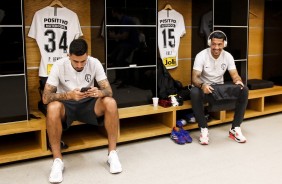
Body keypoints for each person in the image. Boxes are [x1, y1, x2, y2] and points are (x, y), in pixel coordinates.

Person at [42, 38, 122, 183]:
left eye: (83, 61)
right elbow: (45, 98)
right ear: (69, 56)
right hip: (67, 105)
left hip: (89, 103)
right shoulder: (59, 65)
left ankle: (112, 154)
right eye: (75, 61)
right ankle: (57, 161)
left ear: (87, 55)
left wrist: (99, 92)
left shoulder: (94, 62)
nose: (79, 65)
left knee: (111, 103)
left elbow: (109, 91)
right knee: (52, 107)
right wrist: (69, 95)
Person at [190, 30, 248, 145]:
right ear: (209, 43)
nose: (216, 47)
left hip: (219, 89)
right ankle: (203, 128)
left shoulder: (228, 56)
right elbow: (195, 78)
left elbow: (235, 75)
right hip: (204, 88)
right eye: (214, 44)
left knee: (244, 89)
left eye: (219, 44)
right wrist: (202, 85)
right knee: (194, 92)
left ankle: (235, 128)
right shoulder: (201, 56)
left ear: (224, 44)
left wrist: (238, 81)